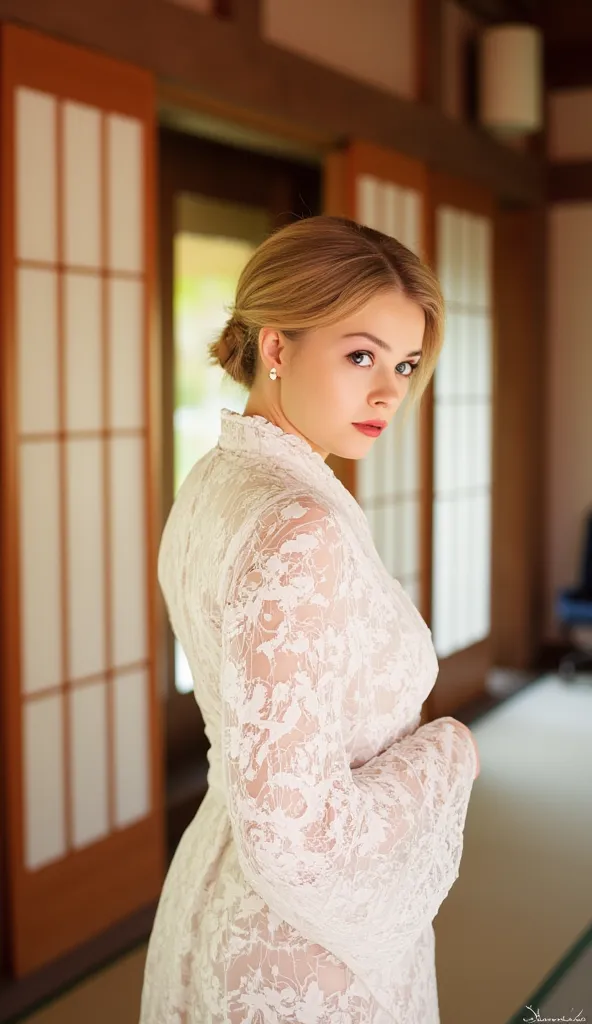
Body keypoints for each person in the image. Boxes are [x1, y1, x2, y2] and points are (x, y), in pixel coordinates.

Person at [140, 215, 480, 1024]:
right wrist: (449, 754)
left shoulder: (219, 477)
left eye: (403, 363)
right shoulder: (300, 526)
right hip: (301, 954)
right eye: (361, 354)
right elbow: (297, 836)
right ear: (277, 348)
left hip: (218, 878)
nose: (390, 390)